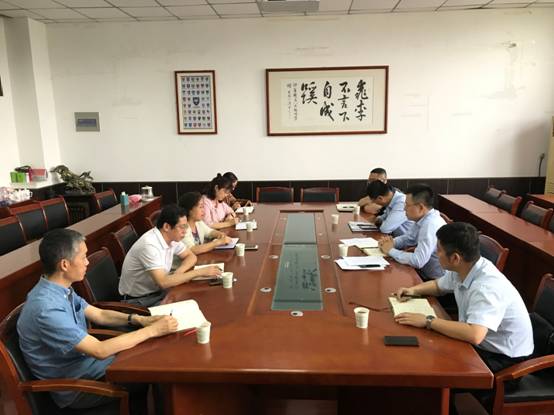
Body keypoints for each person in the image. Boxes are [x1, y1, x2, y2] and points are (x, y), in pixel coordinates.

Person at [17, 228, 179, 412]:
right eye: (83, 257)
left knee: (152, 355)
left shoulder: (60, 289)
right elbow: (99, 350)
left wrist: (139, 320)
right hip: (79, 386)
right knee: (153, 371)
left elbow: (100, 315)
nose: (87, 262)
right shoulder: (46, 308)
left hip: (91, 367)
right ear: (65, 265)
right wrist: (153, 330)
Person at [393, 222, 533, 410]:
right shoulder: (466, 267)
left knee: (432, 376)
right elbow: (438, 286)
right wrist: (413, 290)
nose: (436, 253)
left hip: (504, 360)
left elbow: (474, 334)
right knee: (424, 356)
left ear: (455, 258)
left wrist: (428, 321)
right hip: (483, 344)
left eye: (439, 250)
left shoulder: (486, 287)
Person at [119, 204, 221, 307]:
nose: (185, 231)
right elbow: (163, 282)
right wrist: (199, 272)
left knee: (198, 298)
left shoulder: (171, 237)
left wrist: (179, 272)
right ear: (167, 227)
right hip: (140, 301)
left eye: (186, 226)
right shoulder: (149, 245)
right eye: (182, 227)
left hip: (159, 292)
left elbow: (191, 256)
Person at [379, 184, 445, 280]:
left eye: (407, 205)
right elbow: (409, 238)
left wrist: (390, 250)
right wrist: (392, 242)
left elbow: (418, 260)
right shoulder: (423, 218)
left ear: (421, 207)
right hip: (422, 273)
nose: (404, 208)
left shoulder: (430, 225)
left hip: (434, 281)